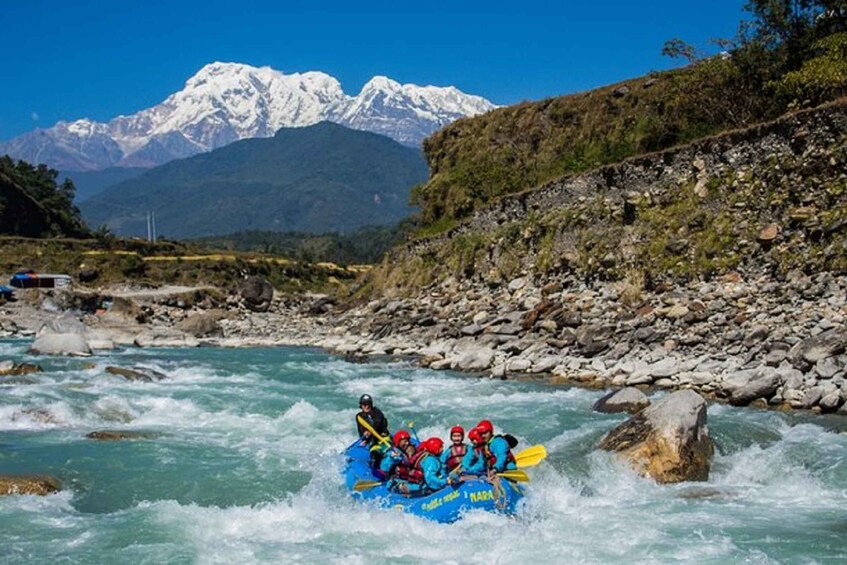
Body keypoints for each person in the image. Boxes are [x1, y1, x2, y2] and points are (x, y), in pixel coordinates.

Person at [390, 437, 458, 495]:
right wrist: (445, 482)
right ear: (436, 449)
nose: (442, 449)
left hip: (422, 484)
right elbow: (430, 479)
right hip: (424, 487)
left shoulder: (429, 457)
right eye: (441, 447)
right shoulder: (431, 461)